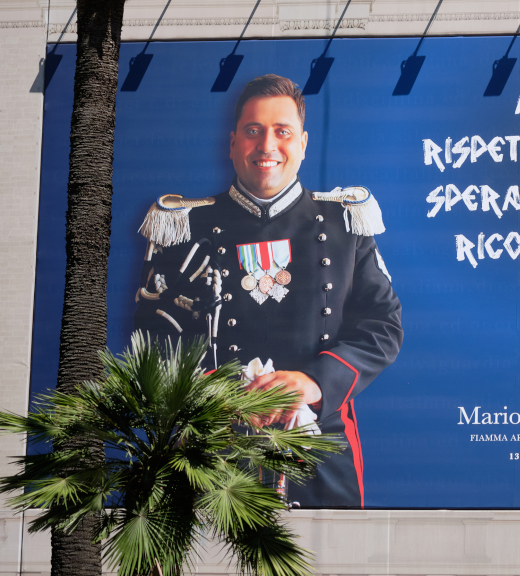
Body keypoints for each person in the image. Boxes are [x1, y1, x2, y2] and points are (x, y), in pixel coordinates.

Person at [133, 74, 403, 508]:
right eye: (253, 131)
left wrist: (314, 382)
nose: (267, 146)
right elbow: (151, 340)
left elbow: (382, 327)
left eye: (282, 131)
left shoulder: (344, 224)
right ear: (233, 141)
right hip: (212, 445)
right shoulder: (183, 227)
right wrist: (220, 395)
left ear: (303, 142)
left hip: (321, 445)